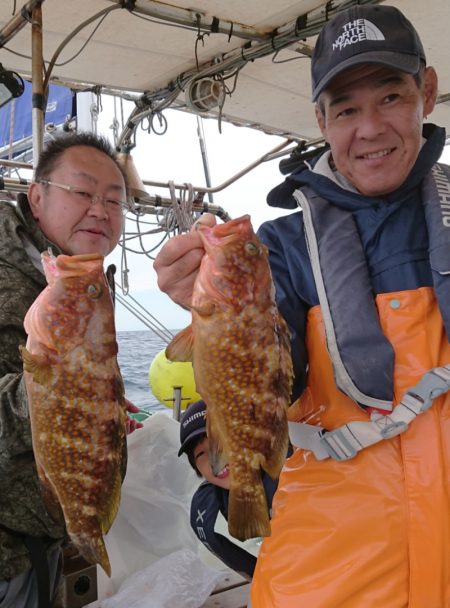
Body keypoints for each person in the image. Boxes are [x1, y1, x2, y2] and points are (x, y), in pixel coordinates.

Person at [154, 4, 450, 606]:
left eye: (390, 97)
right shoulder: (281, 250)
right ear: (320, 120)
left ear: (427, 92)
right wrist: (207, 313)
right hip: (332, 570)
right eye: (345, 109)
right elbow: (265, 375)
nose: (369, 128)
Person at [0, 131, 143, 608]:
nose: (100, 210)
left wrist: (100, 409)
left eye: (114, 200)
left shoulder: (77, 276)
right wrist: (58, 391)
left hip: (43, 546)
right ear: (36, 196)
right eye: (83, 192)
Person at [178, 399, 282, 581]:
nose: (214, 459)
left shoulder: (290, 472)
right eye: (201, 454)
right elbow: (252, 571)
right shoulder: (207, 509)